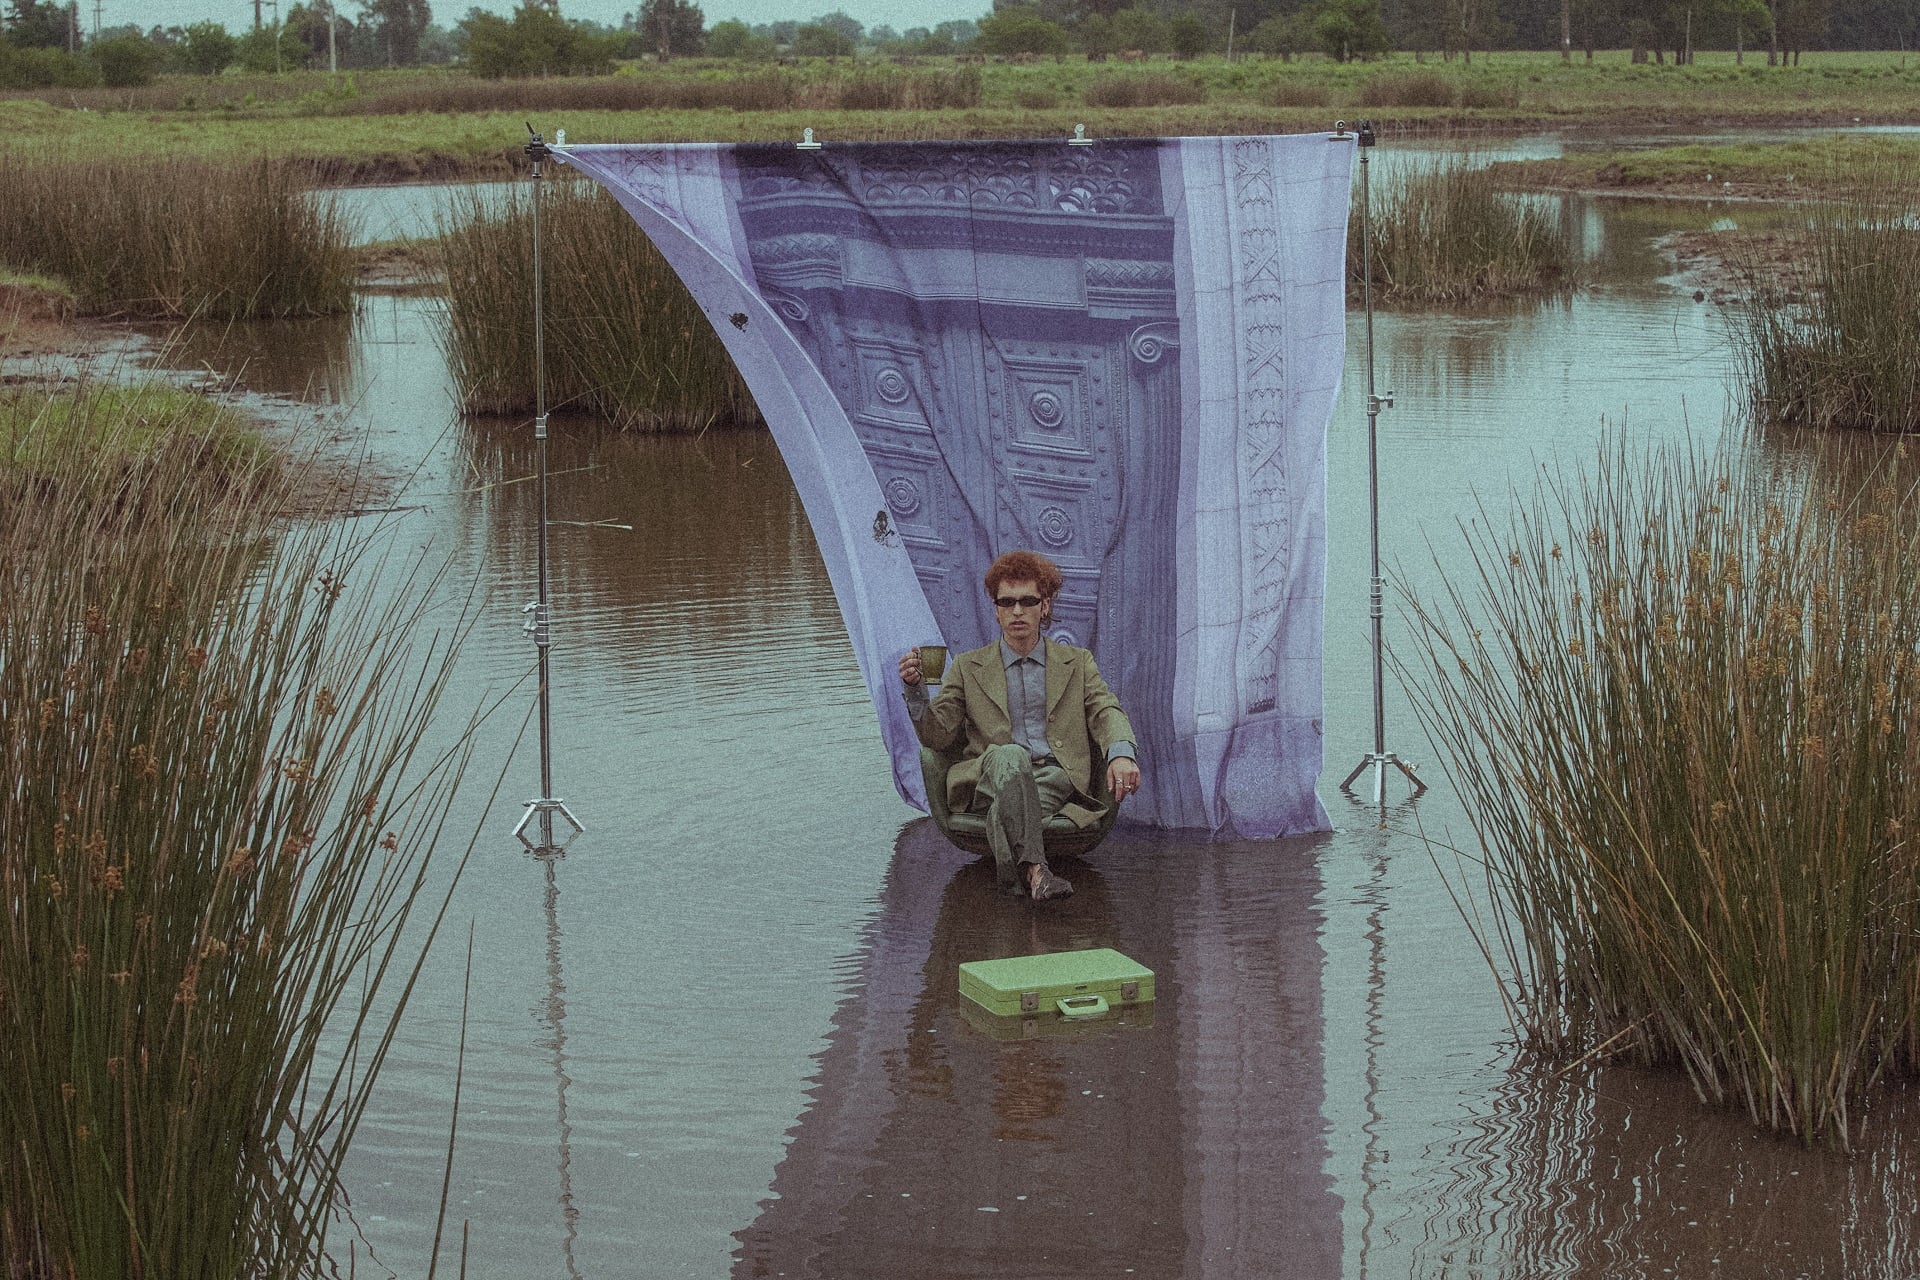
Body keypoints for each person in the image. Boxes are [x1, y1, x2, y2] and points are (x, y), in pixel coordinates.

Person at [898, 550, 1141, 901]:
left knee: (1010, 805)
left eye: (1028, 601)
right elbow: (937, 735)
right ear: (995, 609)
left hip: (1054, 777)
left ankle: (1024, 878)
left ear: (1045, 606)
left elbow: (1105, 710)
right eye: (1007, 602)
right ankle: (1037, 872)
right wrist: (916, 689)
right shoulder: (968, 667)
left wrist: (1121, 753)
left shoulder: (1076, 663)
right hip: (988, 776)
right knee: (1010, 755)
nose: (1016, 611)